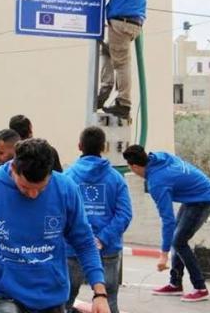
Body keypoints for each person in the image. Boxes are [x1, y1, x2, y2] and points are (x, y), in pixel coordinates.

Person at [0, 138, 111, 313]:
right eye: (25, 188)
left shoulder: (65, 189)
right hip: (2, 293)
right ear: (13, 168)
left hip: (50, 295)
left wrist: (99, 294)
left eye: (41, 189)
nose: (33, 195)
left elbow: (85, 242)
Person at [123, 145, 210, 302]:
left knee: (179, 242)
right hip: (195, 196)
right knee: (177, 238)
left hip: (204, 199)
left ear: (134, 167)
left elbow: (167, 220)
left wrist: (163, 255)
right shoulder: (160, 156)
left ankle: (200, 288)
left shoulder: (157, 183)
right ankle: (175, 284)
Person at [65, 127, 133, 313]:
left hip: (73, 250)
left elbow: (60, 214)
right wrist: (102, 239)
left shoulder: (67, 178)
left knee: (65, 301)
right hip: (108, 250)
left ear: (79, 146)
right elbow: (125, 214)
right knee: (108, 302)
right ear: (103, 147)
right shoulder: (116, 179)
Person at [98, 0, 150, 119]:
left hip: (123, 21)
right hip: (122, 21)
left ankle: (123, 103)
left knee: (120, 62)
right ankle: (104, 92)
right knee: (106, 51)